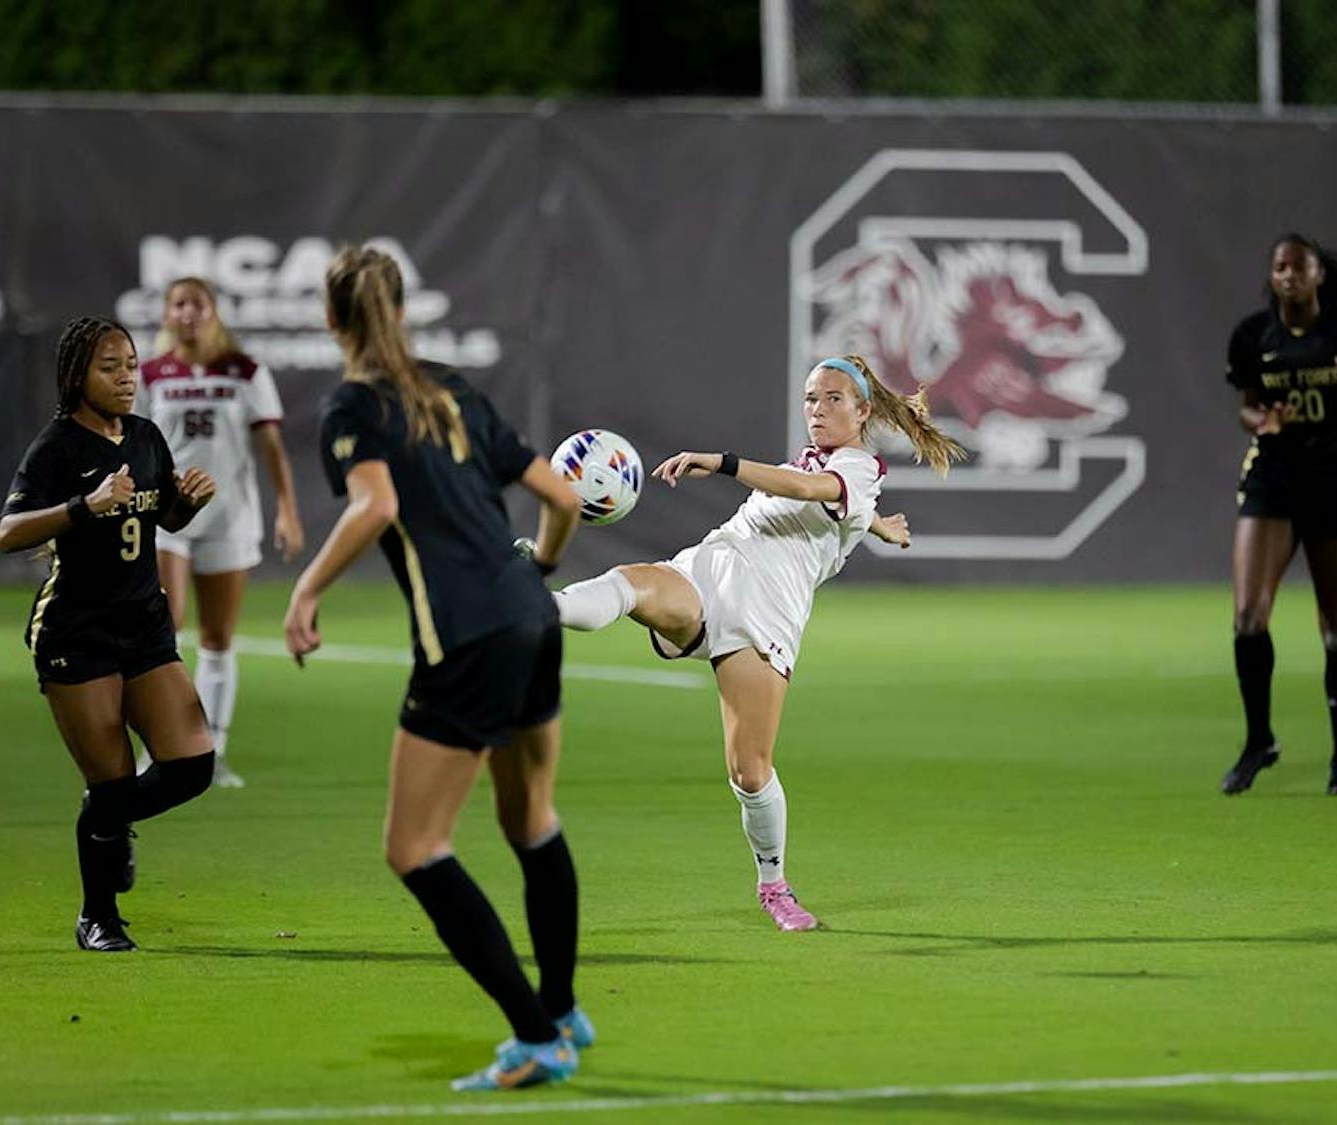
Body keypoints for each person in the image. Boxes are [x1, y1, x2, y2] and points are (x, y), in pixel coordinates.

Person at [282, 246, 588, 1092]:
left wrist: (306, 590)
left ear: (332, 320)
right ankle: (561, 1011)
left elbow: (374, 503)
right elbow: (561, 499)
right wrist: (542, 571)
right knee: (531, 818)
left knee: (415, 847)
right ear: (405, 309)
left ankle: (536, 1038)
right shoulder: (453, 386)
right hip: (532, 614)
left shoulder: (353, 405)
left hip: (466, 638)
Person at [551, 355, 960, 930]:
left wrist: (723, 463)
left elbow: (808, 488)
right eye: (811, 398)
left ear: (863, 410)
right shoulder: (833, 472)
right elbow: (817, 492)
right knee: (631, 585)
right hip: (709, 570)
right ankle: (536, 604)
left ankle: (775, 886)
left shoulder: (859, 470)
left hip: (763, 619)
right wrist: (876, 524)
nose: (818, 409)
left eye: (833, 399)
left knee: (749, 771)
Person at [0, 316, 218, 952]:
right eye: (109, 368)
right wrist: (82, 506)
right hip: (77, 627)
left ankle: (109, 824)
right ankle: (99, 917)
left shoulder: (145, 438)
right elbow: (8, 534)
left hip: (143, 621)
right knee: (113, 783)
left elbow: (160, 520)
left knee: (192, 765)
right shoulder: (57, 448)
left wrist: (187, 504)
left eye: (130, 365)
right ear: (76, 377)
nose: (126, 379)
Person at [1223, 233, 1337, 797]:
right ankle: (1259, 741)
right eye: (1279, 267)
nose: (1288, 275)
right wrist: (1259, 422)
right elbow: (1247, 405)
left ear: (1319, 276)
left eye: (1299, 267)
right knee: (1247, 615)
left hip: (1335, 481)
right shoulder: (1252, 336)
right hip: (1273, 479)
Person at [136, 277, 305, 788]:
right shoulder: (151, 374)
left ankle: (212, 753)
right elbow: (137, 444)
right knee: (163, 630)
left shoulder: (245, 371)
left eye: (198, 304)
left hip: (230, 514)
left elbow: (271, 446)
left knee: (217, 637)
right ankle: (161, 751)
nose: (188, 313)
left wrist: (287, 510)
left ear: (215, 312)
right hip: (169, 517)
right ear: (167, 313)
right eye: (178, 304)